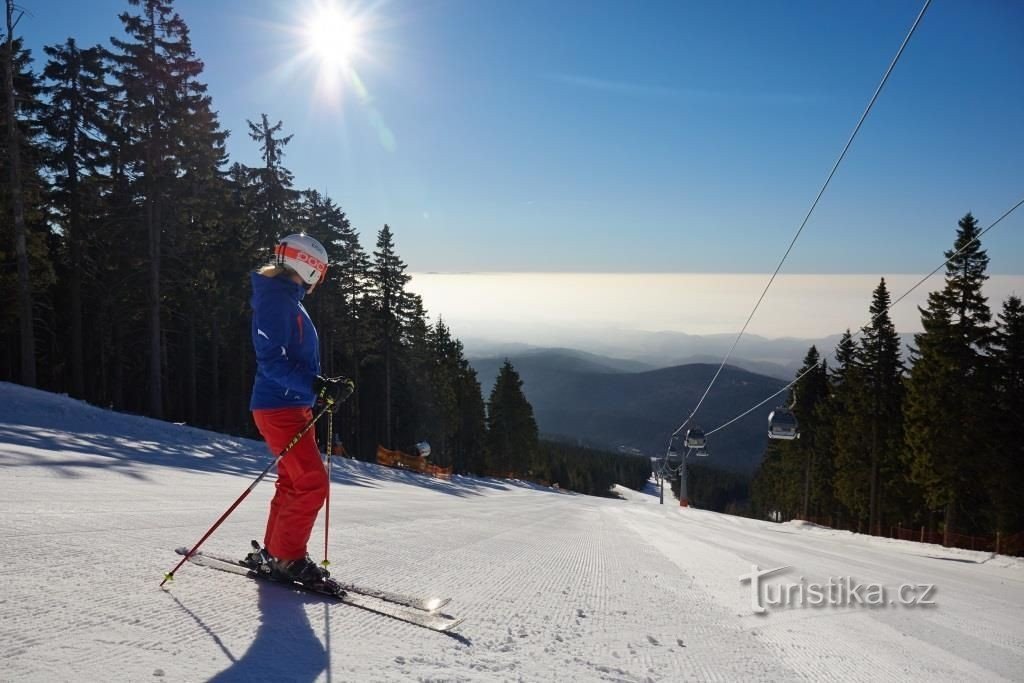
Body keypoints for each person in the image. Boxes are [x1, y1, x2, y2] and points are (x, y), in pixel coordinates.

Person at [245, 233, 353, 586]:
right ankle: (287, 558)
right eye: (320, 272)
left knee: (294, 481)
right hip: (280, 408)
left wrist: (320, 385)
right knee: (311, 483)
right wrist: (316, 386)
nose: (320, 280)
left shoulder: (286, 299)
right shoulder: (277, 302)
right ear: (308, 268)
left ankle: (277, 551)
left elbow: (290, 359)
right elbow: (271, 363)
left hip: (291, 405)